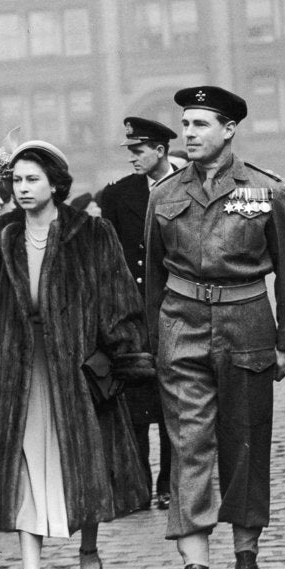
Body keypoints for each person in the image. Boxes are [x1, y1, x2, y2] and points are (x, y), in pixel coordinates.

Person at [0, 140, 152, 569]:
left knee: (79, 465)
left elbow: (117, 300)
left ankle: (89, 551)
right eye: (17, 181)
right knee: (25, 471)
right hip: (18, 376)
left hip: (75, 372)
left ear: (55, 183)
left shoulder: (91, 234)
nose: (22, 189)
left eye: (32, 180)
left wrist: (121, 358)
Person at [145, 86, 285, 569]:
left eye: (200, 124)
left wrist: (284, 342)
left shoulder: (265, 191)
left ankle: (245, 557)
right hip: (181, 324)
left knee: (245, 441)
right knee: (188, 444)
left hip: (246, 323)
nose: (189, 133)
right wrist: (157, 339)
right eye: (185, 124)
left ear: (229, 130)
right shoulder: (164, 196)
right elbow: (152, 275)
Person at [100, 116, 178, 511]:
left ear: (160, 151)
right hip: (131, 314)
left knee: (171, 404)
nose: (132, 157)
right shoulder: (117, 196)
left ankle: (168, 484)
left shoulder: (184, 189)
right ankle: (137, 486)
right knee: (134, 402)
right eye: (130, 150)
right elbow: (109, 259)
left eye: (139, 150)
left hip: (173, 310)